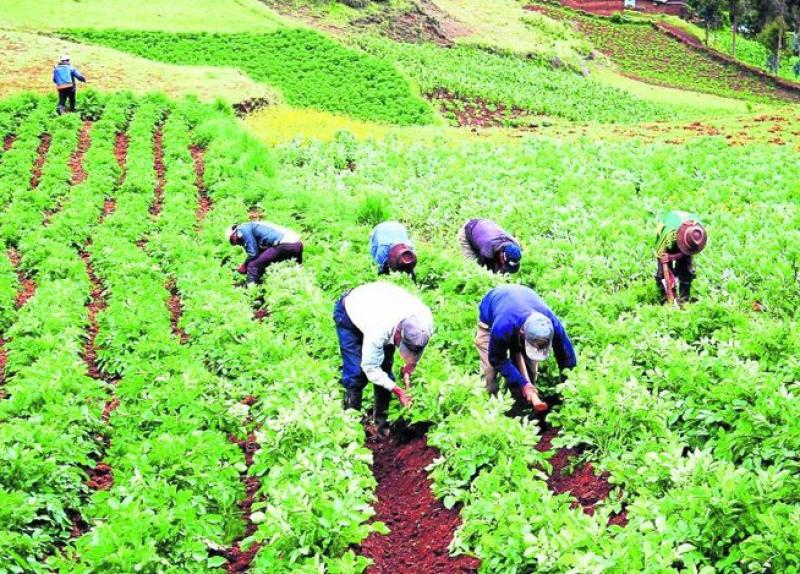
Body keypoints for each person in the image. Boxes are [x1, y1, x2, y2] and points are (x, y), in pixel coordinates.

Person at [333, 281, 433, 435]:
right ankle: (351, 431)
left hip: (381, 304)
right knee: (355, 374)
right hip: (351, 312)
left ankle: (382, 429)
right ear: (398, 334)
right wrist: (398, 390)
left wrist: (410, 366)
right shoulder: (379, 328)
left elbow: (417, 347)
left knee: (385, 370)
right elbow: (370, 367)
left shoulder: (425, 323)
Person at [476, 285, 576, 412]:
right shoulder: (502, 326)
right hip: (490, 317)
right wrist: (522, 384)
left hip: (521, 302)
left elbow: (566, 356)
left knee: (531, 374)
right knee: (489, 376)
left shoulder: (551, 325)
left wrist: (568, 385)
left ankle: (519, 410)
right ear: (523, 333)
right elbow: (497, 358)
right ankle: (491, 412)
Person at [654, 210, 707, 304]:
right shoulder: (668, 234)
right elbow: (661, 254)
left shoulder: (698, 233)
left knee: (686, 271)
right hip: (668, 242)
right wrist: (668, 260)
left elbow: (689, 252)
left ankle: (684, 298)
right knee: (662, 274)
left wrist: (673, 256)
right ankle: (666, 298)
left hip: (687, 240)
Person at [226, 221, 303, 285]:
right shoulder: (252, 226)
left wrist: (245, 265)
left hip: (285, 244)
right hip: (297, 244)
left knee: (253, 265)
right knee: (292, 267)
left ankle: (252, 291)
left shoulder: (242, 230)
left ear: (234, 234)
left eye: (232, 241)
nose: (235, 243)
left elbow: (253, 253)